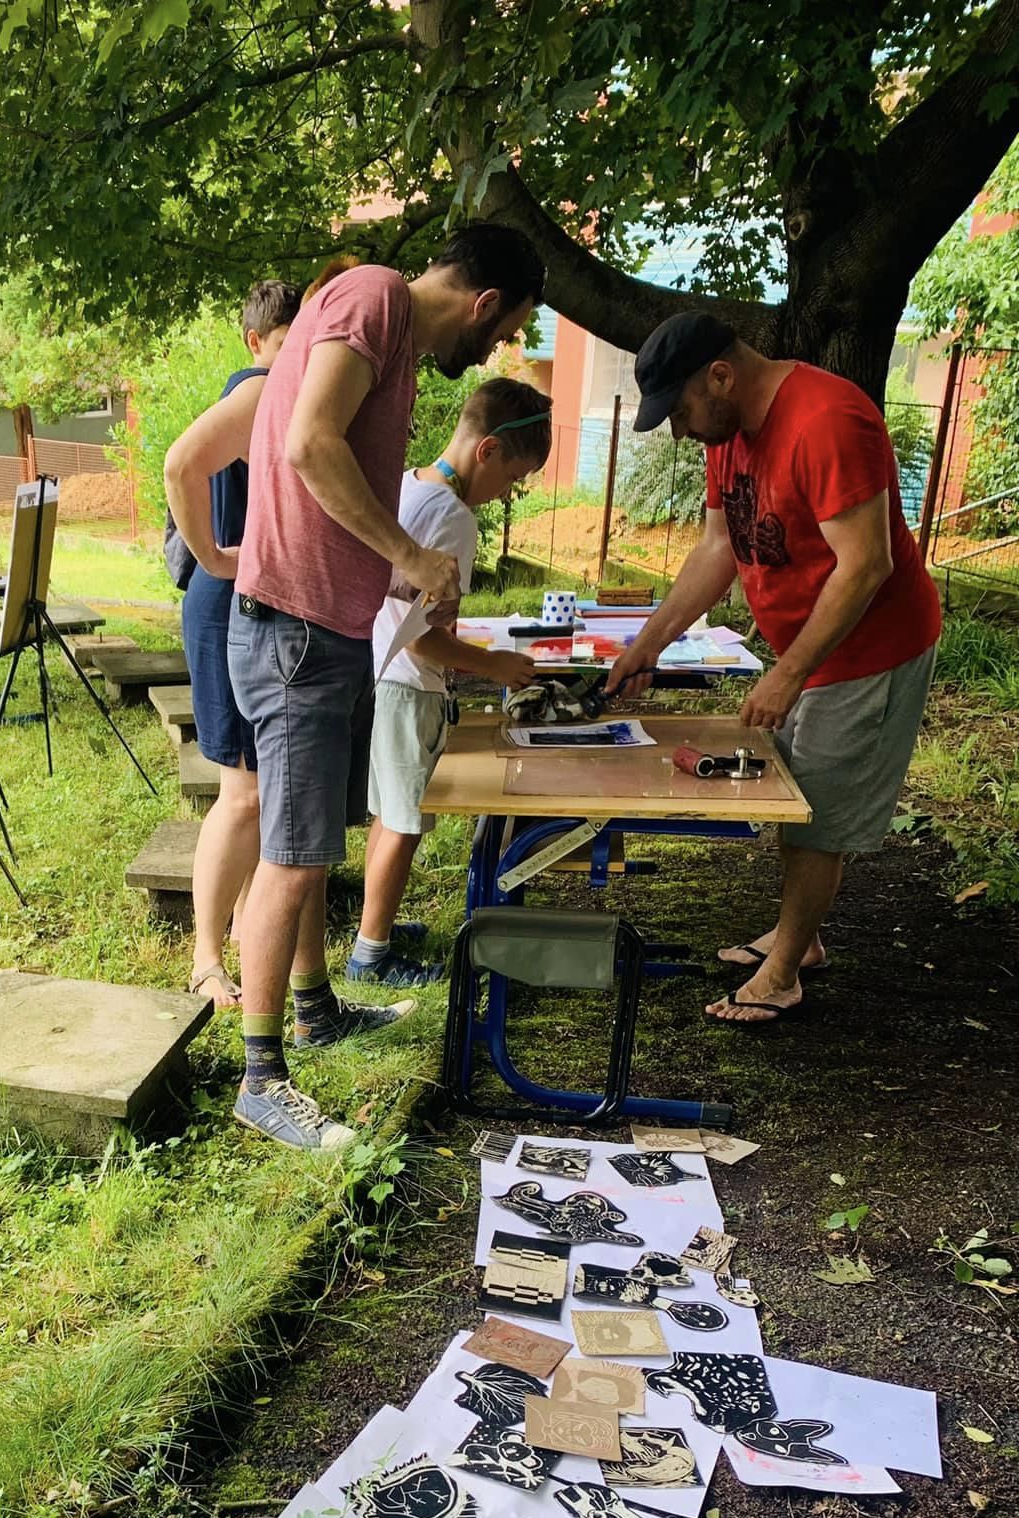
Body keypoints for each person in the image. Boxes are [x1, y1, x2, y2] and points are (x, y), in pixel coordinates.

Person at [228, 221, 546, 1149]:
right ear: (484, 303)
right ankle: (260, 1079)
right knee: (291, 858)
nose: (491, 350)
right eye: (502, 332)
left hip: (326, 626)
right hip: (295, 628)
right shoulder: (373, 295)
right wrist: (408, 553)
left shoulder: (390, 334)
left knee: (311, 844)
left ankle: (316, 1010)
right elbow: (308, 443)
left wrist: (390, 571)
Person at [609, 313, 942, 1027]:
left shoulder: (827, 421)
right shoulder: (728, 433)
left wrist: (786, 675)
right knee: (798, 798)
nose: (680, 432)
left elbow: (866, 566)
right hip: (811, 646)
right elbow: (718, 548)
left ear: (720, 376)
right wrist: (648, 643)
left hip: (868, 649)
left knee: (816, 812)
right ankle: (802, 938)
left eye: (680, 411)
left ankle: (783, 974)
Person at [348, 378, 553, 988]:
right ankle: (371, 956)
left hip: (378, 676)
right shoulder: (454, 518)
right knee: (405, 824)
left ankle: (375, 926)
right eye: (512, 479)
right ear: (487, 450)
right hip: (410, 687)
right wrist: (498, 666)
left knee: (388, 815)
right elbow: (424, 638)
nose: (507, 494)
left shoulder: (407, 484)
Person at [164, 280, 301, 1009]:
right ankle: (206, 958)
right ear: (255, 342)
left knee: (264, 791)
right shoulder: (256, 391)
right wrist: (215, 558)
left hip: (252, 603)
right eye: (284, 342)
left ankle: (248, 927)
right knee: (242, 792)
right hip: (226, 607)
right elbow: (178, 467)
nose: (296, 355)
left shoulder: (276, 393)